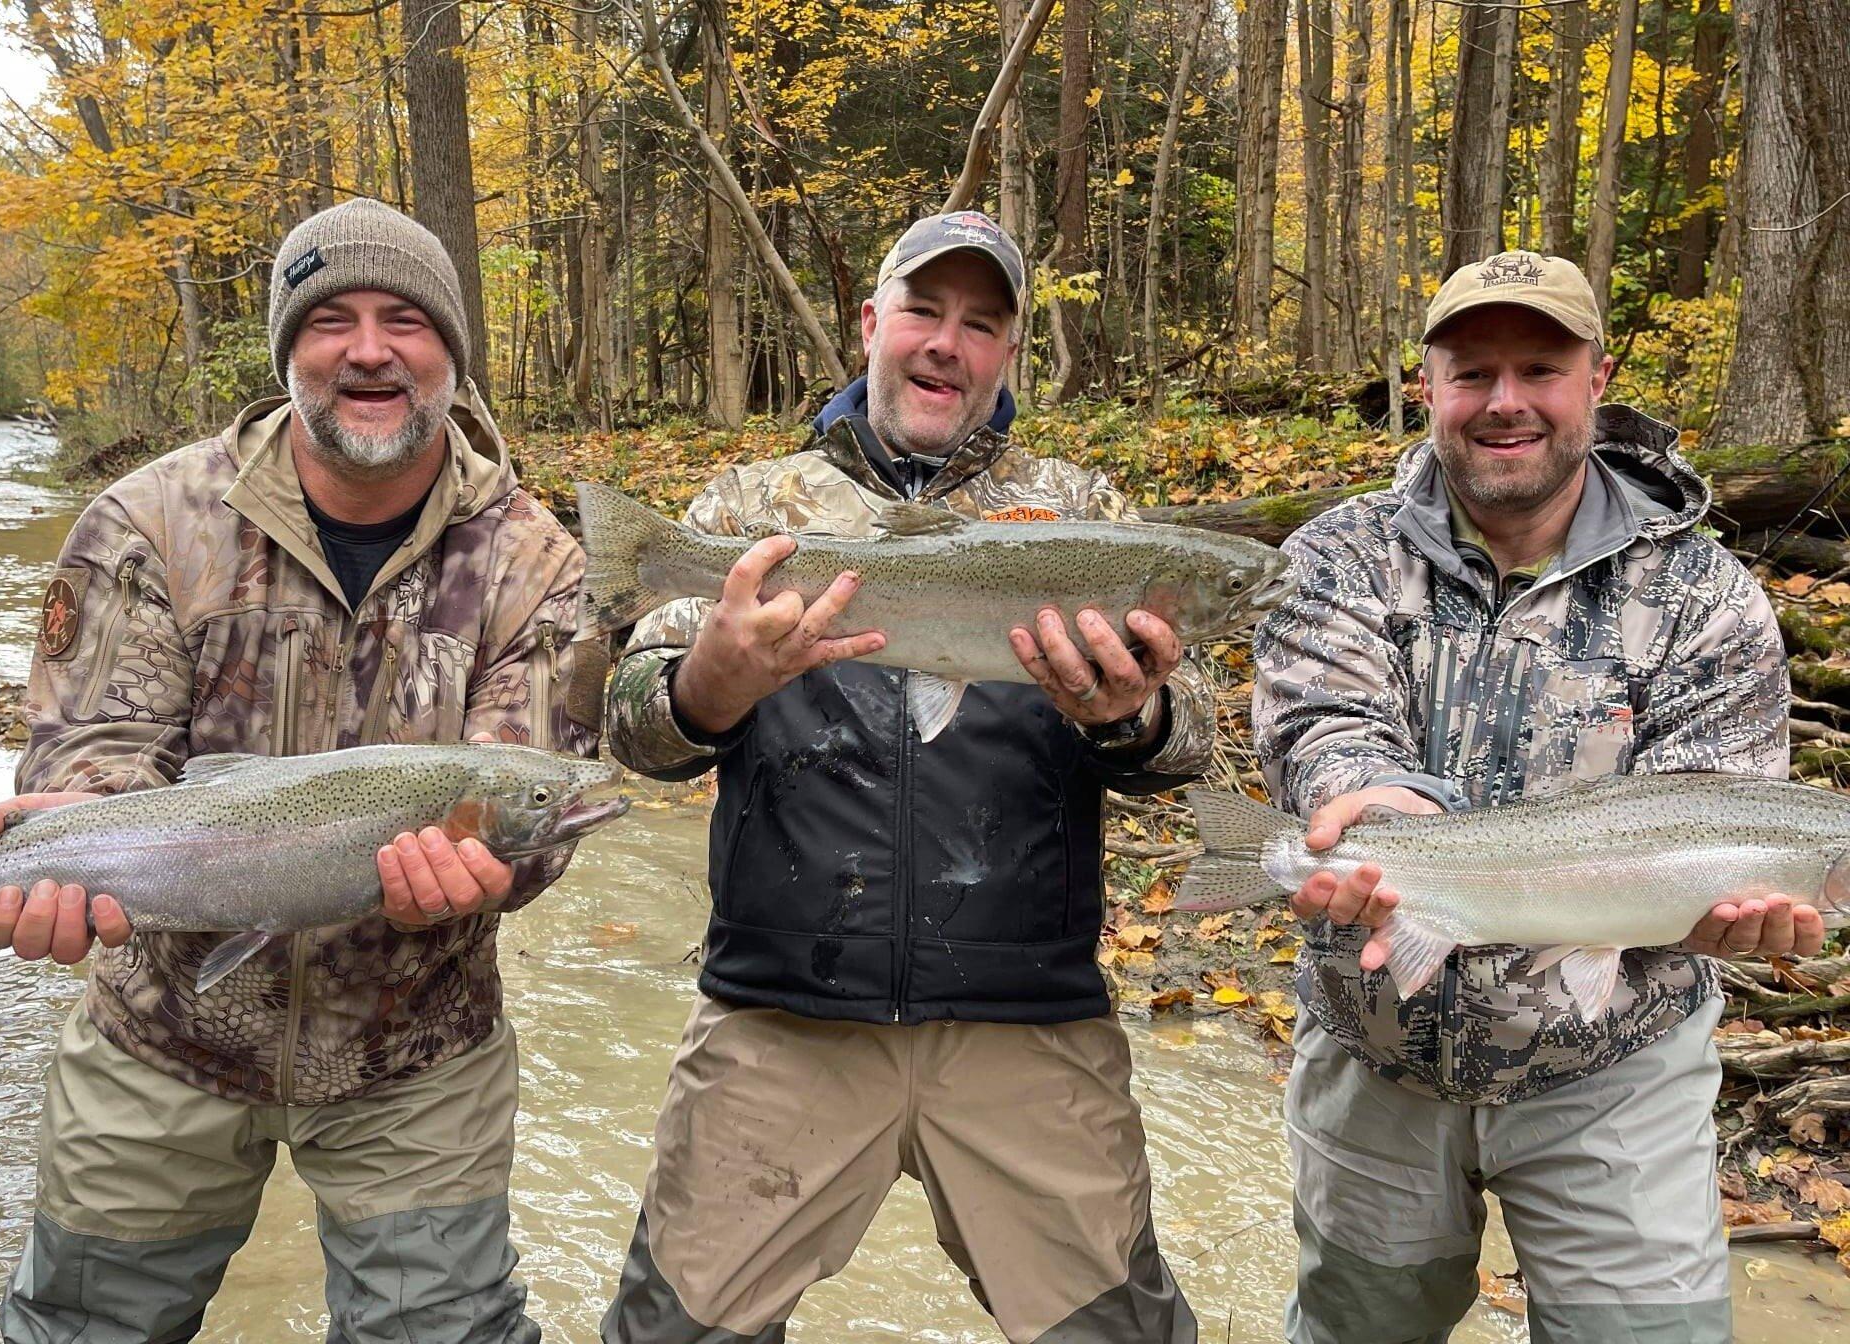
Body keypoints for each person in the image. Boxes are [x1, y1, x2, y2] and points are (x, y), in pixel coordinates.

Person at [0, 198, 596, 1344]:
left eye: (406, 319)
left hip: (418, 1054)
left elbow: (535, 797)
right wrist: (71, 843)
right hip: (161, 1038)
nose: (369, 349)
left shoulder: (535, 558)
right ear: (288, 353)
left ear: (452, 355)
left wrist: (505, 870)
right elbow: (93, 753)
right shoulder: (150, 520)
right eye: (331, 321)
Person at [598, 210, 1209, 1344]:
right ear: (870, 323)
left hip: (1029, 1026)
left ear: (1011, 355)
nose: (947, 342)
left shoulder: (1087, 518)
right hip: (778, 1017)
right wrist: (712, 687)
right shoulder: (748, 515)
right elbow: (634, 735)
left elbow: (1191, 749)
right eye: (925, 311)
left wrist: (1139, 713)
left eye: (982, 324)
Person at [1252, 250, 1821, 1344]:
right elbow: (1320, 726)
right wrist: (1364, 799)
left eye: (1539, 368)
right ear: (1428, 387)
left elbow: (1720, 812)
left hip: (1617, 1065)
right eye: (1472, 372)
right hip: (1377, 1050)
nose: (1504, 402)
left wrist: (1745, 923)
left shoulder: (1705, 594)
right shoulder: (1337, 554)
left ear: (1596, 380)